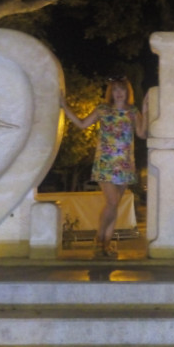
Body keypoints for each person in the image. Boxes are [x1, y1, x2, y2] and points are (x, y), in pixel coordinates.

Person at [61, 76, 148, 258]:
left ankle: (105, 245)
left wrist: (145, 111)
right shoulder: (103, 109)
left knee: (114, 206)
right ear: (111, 92)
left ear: (127, 92)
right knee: (112, 202)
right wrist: (64, 106)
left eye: (122, 89)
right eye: (115, 89)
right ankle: (99, 238)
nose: (119, 93)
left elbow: (141, 133)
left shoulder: (132, 111)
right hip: (106, 163)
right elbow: (82, 124)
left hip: (125, 164)